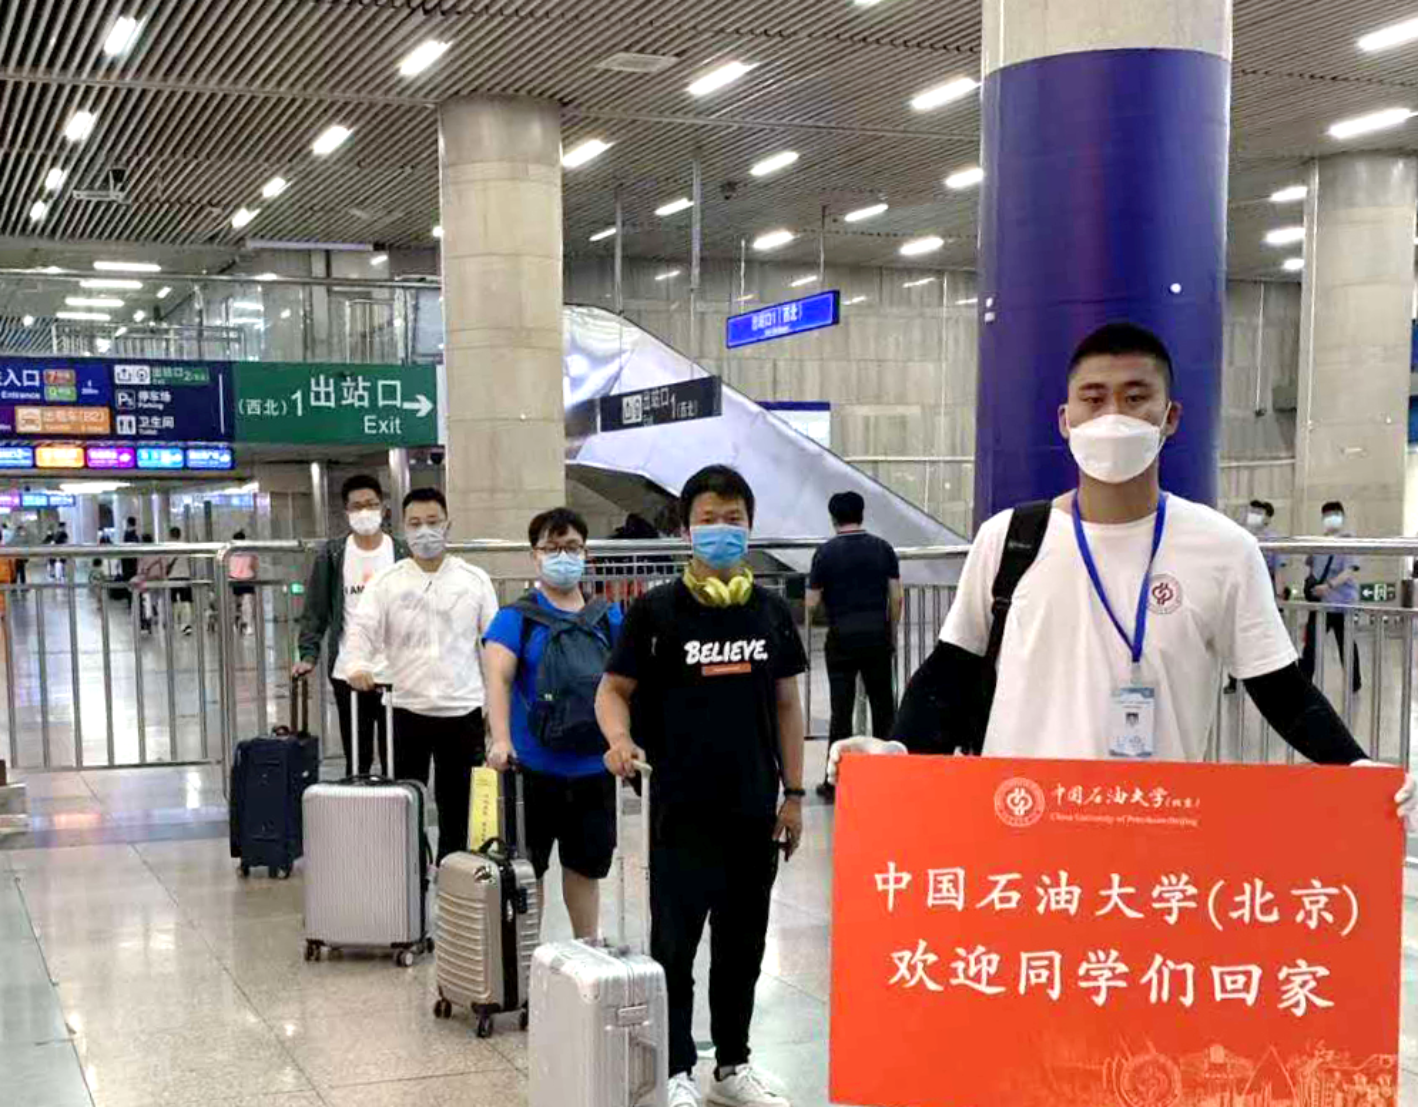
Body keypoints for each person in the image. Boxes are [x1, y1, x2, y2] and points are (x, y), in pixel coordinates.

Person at [830, 322, 1414, 823]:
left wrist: (1355, 765)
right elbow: (950, 671)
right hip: (1019, 821)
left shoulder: (1223, 550)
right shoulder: (1009, 539)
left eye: (1136, 398)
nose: (1113, 416)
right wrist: (899, 748)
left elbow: (1280, 690)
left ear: (1170, 417)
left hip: (1154, 828)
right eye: (1094, 398)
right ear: (1065, 419)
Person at [597, 465, 806, 1108]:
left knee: (743, 947)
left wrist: (795, 795)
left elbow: (787, 705)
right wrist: (620, 739)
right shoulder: (656, 611)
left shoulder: (770, 610)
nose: (721, 530)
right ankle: (676, 1070)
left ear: (750, 526)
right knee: (675, 946)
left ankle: (731, 1066)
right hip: (679, 809)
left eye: (733, 519)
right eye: (708, 519)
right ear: (687, 529)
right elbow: (613, 690)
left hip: (752, 809)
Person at [483, 507, 621, 938]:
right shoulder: (515, 619)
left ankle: (586, 953)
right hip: (531, 768)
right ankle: (529, 962)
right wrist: (500, 740)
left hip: (594, 768)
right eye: (552, 547)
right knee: (530, 872)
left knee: (586, 870)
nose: (564, 556)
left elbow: (626, 685)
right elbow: (498, 681)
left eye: (573, 547)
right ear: (535, 555)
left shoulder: (609, 618)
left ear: (586, 554)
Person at [341, 487, 500, 863]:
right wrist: (357, 666)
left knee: (457, 806)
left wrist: (495, 707)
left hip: (462, 710)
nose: (424, 531)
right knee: (404, 803)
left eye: (432, 522)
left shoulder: (474, 580)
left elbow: (492, 645)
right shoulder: (387, 581)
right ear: (403, 528)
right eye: (415, 524)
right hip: (404, 709)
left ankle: (453, 876)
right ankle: (409, 877)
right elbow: (362, 630)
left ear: (448, 525)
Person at [294, 476, 408, 777]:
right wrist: (308, 655)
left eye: (371, 504)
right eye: (357, 506)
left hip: (397, 671)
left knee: (397, 755)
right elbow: (316, 608)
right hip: (349, 669)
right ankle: (358, 800)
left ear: (383, 507)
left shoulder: (401, 552)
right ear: (346, 512)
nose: (365, 511)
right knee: (357, 754)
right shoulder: (333, 554)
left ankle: (397, 803)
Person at [806, 491, 901, 776]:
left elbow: (811, 602)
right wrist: (891, 633)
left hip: (841, 639)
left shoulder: (825, 553)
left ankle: (836, 778)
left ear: (833, 518)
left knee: (841, 711)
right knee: (883, 708)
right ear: (861, 514)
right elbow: (896, 598)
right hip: (877, 637)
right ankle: (891, 773)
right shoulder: (883, 548)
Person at [1300, 500, 1362, 694]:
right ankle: (1303, 683)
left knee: (1346, 645)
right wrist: (1311, 585)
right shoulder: (1318, 542)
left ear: (1342, 517)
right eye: (1327, 515)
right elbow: (1311, 568)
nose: (1331, 518)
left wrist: (1329, 586)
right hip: (1320, 604)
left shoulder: (1349, 540)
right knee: (1311, 646)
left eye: (1335, 514)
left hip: (1342, 603)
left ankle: (1354, 683)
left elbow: (1349, 571)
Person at [131, 533, 163, 634]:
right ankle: (155, 612)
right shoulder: (157, 551)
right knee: (155, 599)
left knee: (145, 600)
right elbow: (162, 565)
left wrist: (139, 575)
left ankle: (147, 621)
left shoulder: (142, 552)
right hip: (158, 578)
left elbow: (140, 568)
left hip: (146, 578)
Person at [229, 531, 258, 636]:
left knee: (236, 603)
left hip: (234, 578)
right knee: (248, 603)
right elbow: (254, 565)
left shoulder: (230, 552)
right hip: (248, 578)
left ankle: (236, 623)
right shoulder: (249, 551)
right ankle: (248, 625)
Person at [165, 526, 193, 635]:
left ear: (170, 535)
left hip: (172, 577)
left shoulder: (167, 547)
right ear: (180, 535)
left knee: (173, 601)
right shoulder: (185, 546)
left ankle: (172, 623)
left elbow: (166, 563)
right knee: (186, 601)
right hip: (185, 576)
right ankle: (187, 625)